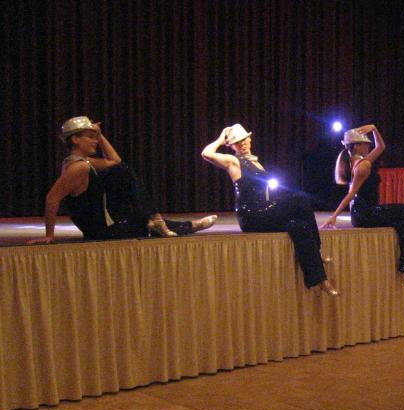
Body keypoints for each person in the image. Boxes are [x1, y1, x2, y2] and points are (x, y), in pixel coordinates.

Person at [28, 116, 216, 244]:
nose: (95, 141)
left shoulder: (83, 162)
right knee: (141, 220)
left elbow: (115, 161)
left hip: (101, 226)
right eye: (90, 137)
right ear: (75, 139)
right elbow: (52, 198)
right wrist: (49, 235)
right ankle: (178, 223)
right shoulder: (79, 167)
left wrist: (100, 135)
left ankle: (161, 219)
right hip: (100, 231)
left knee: (123, 173)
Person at [201, 124, 338, 296]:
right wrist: (221, 138)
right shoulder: (234, 161)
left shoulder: (255, 162)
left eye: (244, 139)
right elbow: (206, 154)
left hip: (264, 210)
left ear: (249, 139)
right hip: (252, 215)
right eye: (237, 142)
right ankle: (317, 251)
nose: (242, 144)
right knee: (301, 198)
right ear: (232, 146)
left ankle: (319, 280)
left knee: (298, 226)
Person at [321, 124, 404, 285]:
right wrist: (334, 216)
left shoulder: (358, 162)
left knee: (403, 223)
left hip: (364, 212)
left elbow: (381, 147)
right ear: (357, 146)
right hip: (366, 213)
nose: (369, 146)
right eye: (366, 144)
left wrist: (374, 129)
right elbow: (351, 193)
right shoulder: (363, 165)